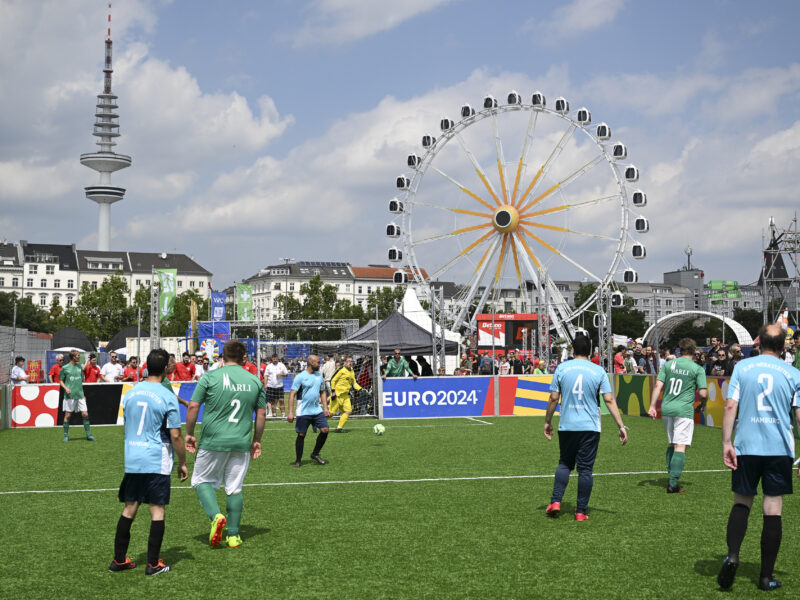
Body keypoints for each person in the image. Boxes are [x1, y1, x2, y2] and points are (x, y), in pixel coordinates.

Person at [717, 325, 800, 592]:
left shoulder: (743, 367)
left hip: (747, 446)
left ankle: (732, 555)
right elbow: (799, 416)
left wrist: (727, 442)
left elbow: (731, 406)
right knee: (772, 509)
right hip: (778, 449)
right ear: (783, 346)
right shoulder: (794, 373)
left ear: (759, 343)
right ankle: (766, 577)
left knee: (742, 502)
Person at [109, 348, 188, 576]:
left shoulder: (132, 392)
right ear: (165, 368)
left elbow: (126, 427)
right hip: (156, 457)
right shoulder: (167, 395)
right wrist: (183, 462)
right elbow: (175, 435)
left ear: (145, 365)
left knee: (129, 509)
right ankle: (153, 564)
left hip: (133, 457)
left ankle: (119, 560)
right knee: (157, 510)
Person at [186, 340, 267, 549]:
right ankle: (233, 536)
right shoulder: (254, 381)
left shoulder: (210, 377)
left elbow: (194, 405)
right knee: (234, 488)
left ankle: (216, 516)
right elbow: (261, 413)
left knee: (201, 480)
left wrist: (189, 433)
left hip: (213, 439)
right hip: (240, 441)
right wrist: (256, 440)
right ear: (244, 358)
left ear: (222, 356)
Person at [543, 334, 628, 520]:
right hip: (590, 427)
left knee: (565, 463)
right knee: (585, 470)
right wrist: (621, 425)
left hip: (567, 426)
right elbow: (609, 399)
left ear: (573, 350)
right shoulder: (598, 371)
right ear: (590, 351)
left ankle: (556, 501)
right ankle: (581, 511)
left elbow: (554, 398)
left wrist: (548, 421)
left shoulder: (562, 368)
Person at [648, 338, 708, 493]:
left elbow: (658, 385)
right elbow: (703, 392)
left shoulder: (668, 365)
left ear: (679, 351)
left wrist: (652, 406)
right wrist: (704, 402)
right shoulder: (697, 369)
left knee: (671, 444)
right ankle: (673, 483)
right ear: (695, 351)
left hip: (667, 409)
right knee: (680, 446)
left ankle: (671, 477)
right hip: (683, 410)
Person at [288, 354, 331, 467]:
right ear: (311, 363)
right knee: (301, 434)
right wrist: (290, 412)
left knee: (325, 430)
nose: (319, 364)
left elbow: (323, 392)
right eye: (318, 362)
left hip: (317, 410)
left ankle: (315, 453)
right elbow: (292, 394)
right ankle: (298, 460)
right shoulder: (300, 377)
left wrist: (325, 408)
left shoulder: (319, 376)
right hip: (303, 411)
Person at [60, 349, 96, 442]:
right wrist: (66, 388)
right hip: (70, 396)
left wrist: (83, 394)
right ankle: (66, 436)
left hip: (80, 395)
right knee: (68, 415)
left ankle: (88, 435)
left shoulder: (79, 366)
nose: (79, 357)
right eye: (78, 355)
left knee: (85, 414)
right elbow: (60, 381)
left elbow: (80, 379)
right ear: (73, 357)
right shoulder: (65, 368)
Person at [330, 356, 362, 433]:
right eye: (348, 361)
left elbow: (354, 383)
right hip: (337, 395)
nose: (350, 363)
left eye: (351, 361)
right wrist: (333, 391)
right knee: (331, 414)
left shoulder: (352, 371)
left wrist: (360, 389)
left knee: (348, 411)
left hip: (346, 395)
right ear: (345, 362)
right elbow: (332, 380)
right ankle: (316, 423)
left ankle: (339, 428)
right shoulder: (341, 369)